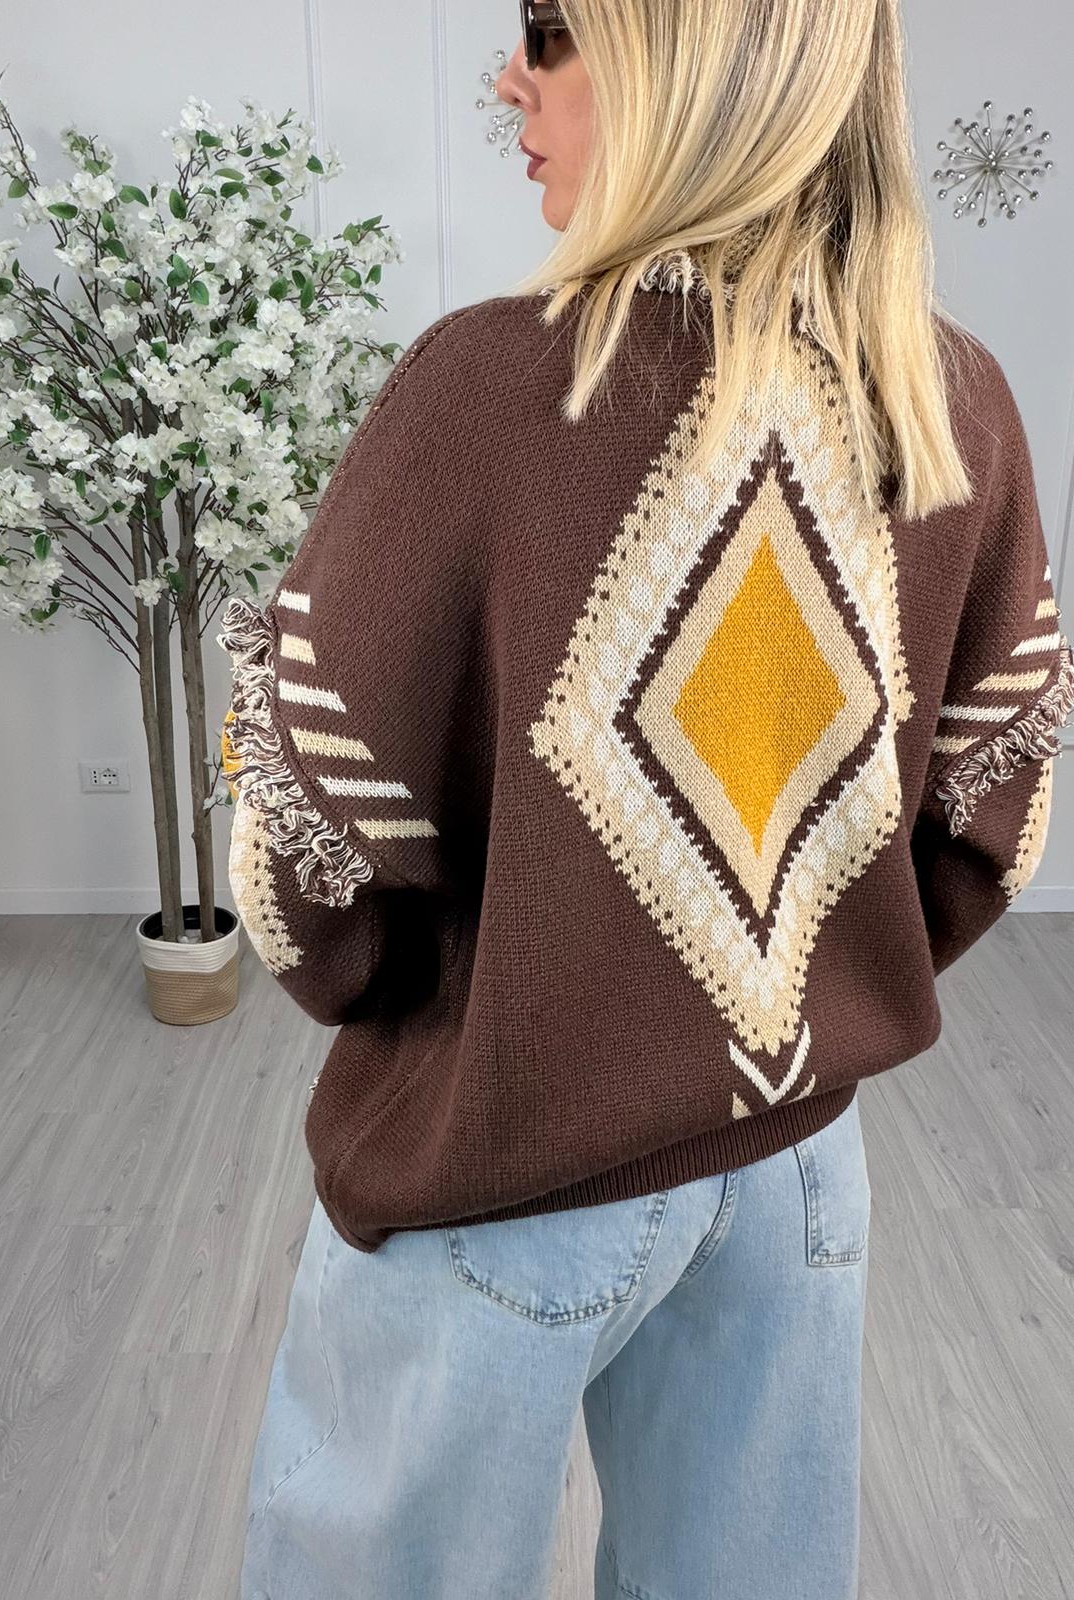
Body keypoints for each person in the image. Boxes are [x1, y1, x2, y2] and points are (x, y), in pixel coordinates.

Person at [222, 1, 1074, 1595]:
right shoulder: (953, 398)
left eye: (552, 31)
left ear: (686, 56)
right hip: (798, 1174)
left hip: (501, 1164)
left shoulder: (486, 389)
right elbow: (992, 818)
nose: (511, 76)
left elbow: (301, 853)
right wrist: (795, 988)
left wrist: (440, 1009)